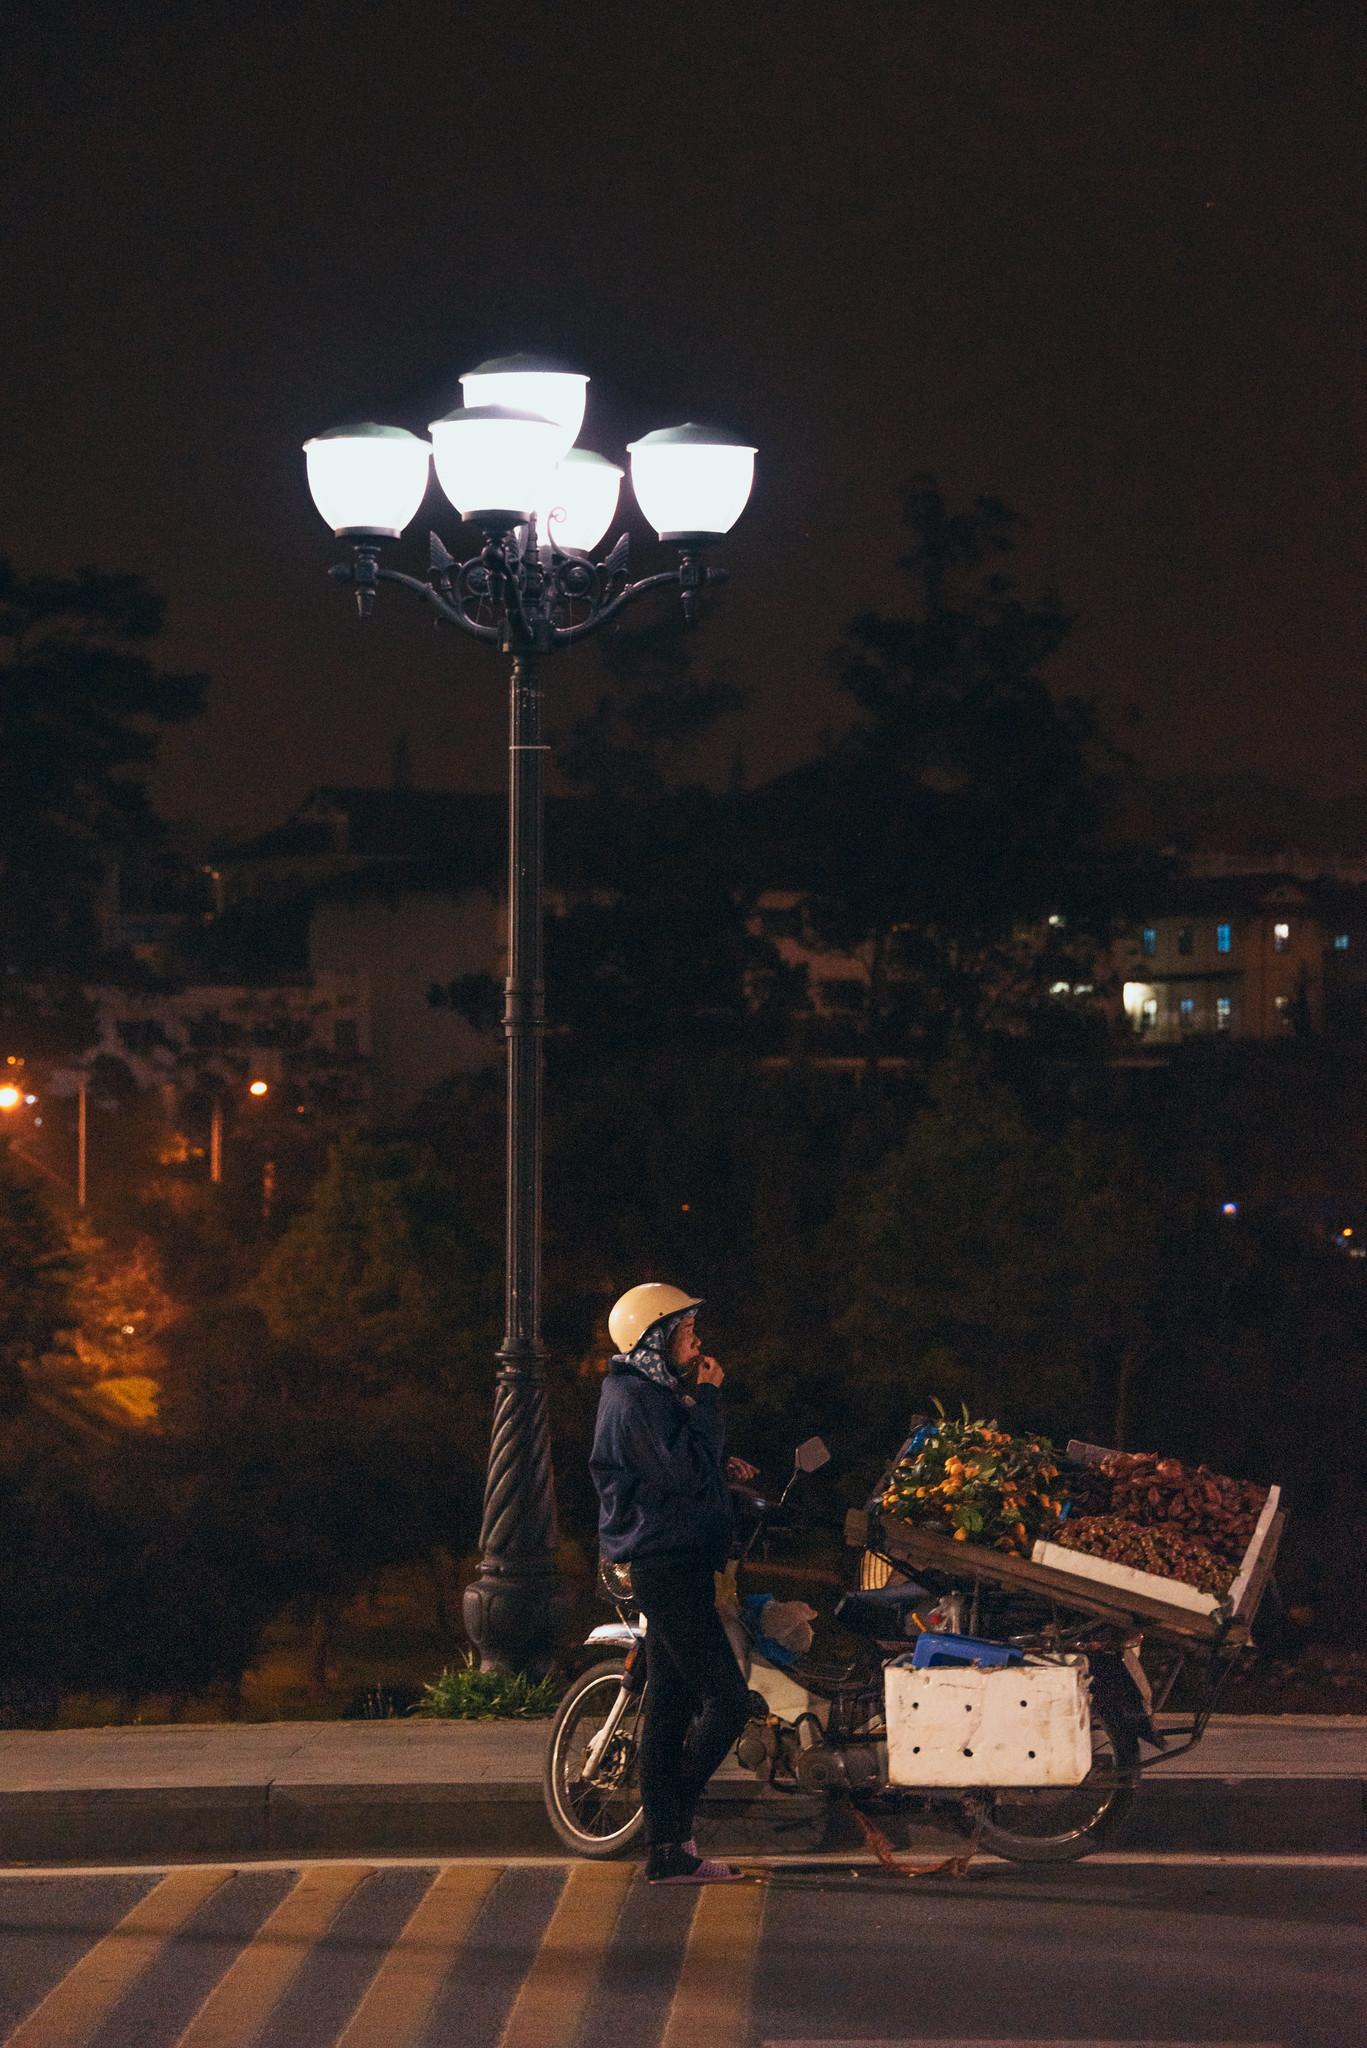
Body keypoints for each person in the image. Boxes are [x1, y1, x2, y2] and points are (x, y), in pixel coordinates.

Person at [590, 1283, 756, 1884]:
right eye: (687, 1330)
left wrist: (719, 1465)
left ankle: (670, 1852)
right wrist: (709, 1398)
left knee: (670, 1703)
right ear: (655, 1334)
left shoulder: (652, 1393)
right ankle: (672, 1814)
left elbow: (676, 1467)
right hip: (665, 1563)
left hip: (675, 1557)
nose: (698, 1341)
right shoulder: (635, 1398)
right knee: (730, 1701)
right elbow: (680, 1473)